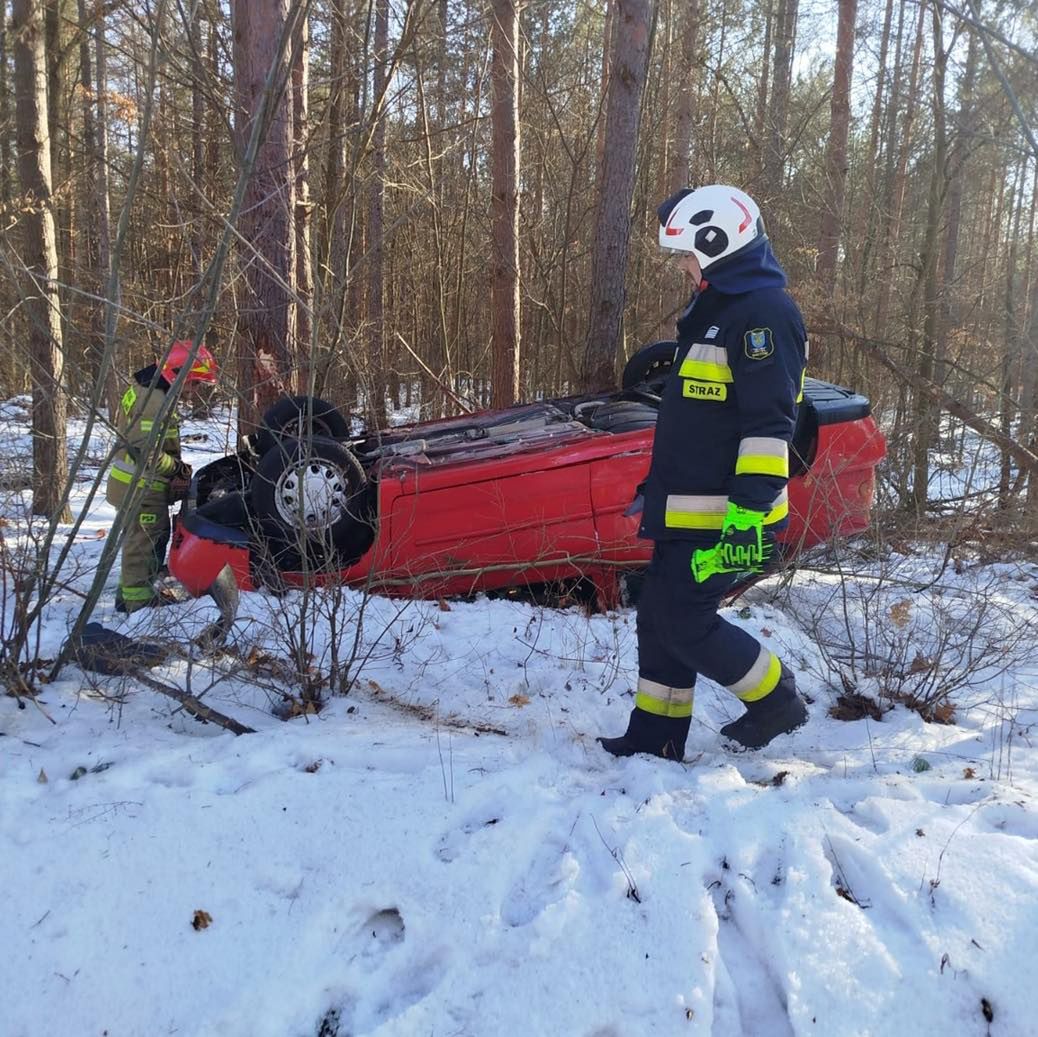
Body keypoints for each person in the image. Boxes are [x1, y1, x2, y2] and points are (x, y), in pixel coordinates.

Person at [599, 185, 808, 760]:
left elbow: (768, 428)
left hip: (733, 520)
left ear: (719, 246)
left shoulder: (765, 315)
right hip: (687, 511)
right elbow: (698, 421)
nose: (685, 269)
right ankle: (656, 737)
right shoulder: (715, 312)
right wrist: (655, 491)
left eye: (689, 256)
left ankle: (777, 700)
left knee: (685, 621)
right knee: (658, 620)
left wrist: (748, 513)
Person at [106, 340, 218, 613]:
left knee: (145, 538)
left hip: (136, 483)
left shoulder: (150, 390)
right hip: (140, 485)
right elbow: (146, 451)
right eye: (193, 383)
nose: (193, 391)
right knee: (144, 542)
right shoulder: (155, 401)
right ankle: (137, 603)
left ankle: (130, 594)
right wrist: (175, 469)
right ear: (177, 373)